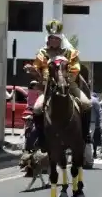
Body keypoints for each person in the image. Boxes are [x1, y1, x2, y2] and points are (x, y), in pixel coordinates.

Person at [24, 20, 92, 150]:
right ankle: (41, 137)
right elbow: (37, 67)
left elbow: (75, 68)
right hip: (48, 87)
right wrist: (33, 70)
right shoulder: (42, 53)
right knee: (37, 108)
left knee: (87, 104)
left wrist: (66, 80)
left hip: (69, 85)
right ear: (48, 39)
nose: (54, 41)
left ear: (60, 40)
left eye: (56, 38)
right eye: (51, 38)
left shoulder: (70, 53)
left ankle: (85, 135)